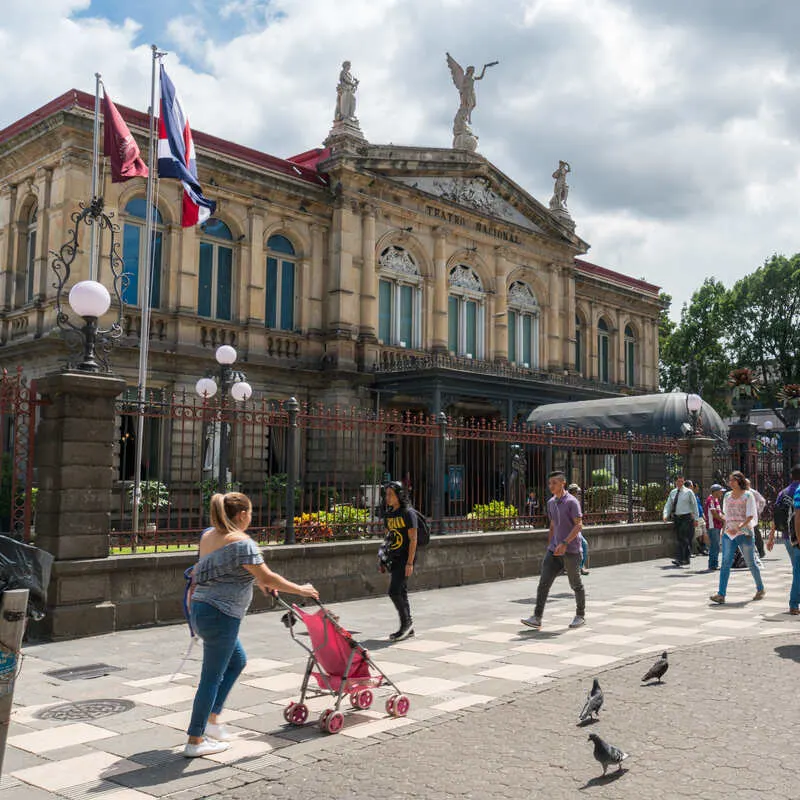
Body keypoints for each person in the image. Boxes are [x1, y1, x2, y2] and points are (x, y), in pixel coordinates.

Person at [184, 492, 319, 758]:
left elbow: (232, 570)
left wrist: (261, 583)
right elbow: (267, 575)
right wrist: (301, 590)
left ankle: (211, 720)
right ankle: (195, 740)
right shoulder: (242, 543)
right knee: (210, 677)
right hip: (222, 615)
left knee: (237, 661)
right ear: (242, 515)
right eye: (251, 513)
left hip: (200, 609)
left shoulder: (208, 535)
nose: (251, 518)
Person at [521, 471, 586, 630]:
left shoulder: (572, 502)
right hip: (553, 551)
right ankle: (537, 618)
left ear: (562, 483)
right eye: (550, 483)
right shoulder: (551, 503)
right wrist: (551, 545)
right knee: (543, 583)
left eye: (554, 483)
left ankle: (580, 615)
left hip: (571, 551)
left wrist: (564, 543)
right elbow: (552, 525)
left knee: (575, 584)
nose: (551, 486)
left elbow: (579, 525)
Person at [709, 472, 765, 605]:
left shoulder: (748, 495)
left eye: (733, 480)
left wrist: (740, 527)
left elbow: (751, 515)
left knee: (751, 562)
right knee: (726, 562)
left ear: (739, 481)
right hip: (730, 532)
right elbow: (726, 514)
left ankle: (760, 588)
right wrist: (725, 527)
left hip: (744, 531)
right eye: (730, 480)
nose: (730, 483)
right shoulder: (727, 496)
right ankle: (721, 594)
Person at [378, 481, 418, 642]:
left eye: (390, 494)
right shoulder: (389, 515)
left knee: (394, 591)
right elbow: (388, 538)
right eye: (386, 494)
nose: (387, 497)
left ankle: (406, 624)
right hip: (394, 557)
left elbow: (413, 539)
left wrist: (410, 563)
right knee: (401, 591)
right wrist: (382, 558)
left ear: (399, 496)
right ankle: (408, 627)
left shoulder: (408, 513)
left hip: (405, 558)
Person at [767, 464, 800, 614]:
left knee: (797, 570)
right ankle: (793, 603)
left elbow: (776, 515)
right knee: (797, 571)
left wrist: (772, 536)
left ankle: (794, 602)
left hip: (787, 537)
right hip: (798, 538)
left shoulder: (783, 492)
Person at [662, 475, 699, 567]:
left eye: (682, 481)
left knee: (682, 537)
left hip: (686, 517)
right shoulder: (673, 492)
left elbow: (694, 506)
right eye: (678, 481)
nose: (680, 483)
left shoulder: (689, 492)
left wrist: (696, 518)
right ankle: (686, 559)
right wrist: (665, 515)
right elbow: (668, 504)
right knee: (681, 538)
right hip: (677, 517)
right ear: (675, 482)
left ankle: (680, 558)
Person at [568, 483, 589, 576]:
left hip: (576, 530)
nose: (578, 495)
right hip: (569, 530)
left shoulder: (576, 502)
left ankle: (580, 566)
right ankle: (576, 567)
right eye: (577, 493)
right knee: (582, 545)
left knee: (583, 545)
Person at [704, 484, 725, 571]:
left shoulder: (715, 499)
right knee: (714, 546)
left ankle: (713, 563)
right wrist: (723, 520)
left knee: (715, 545)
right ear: (716, 491)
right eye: (720, 491)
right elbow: (714, 514)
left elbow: (719, 512)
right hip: (713, 526)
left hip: (716, 525)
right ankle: (713, 564)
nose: (721, 493)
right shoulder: (711, 500)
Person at [745, 478, 767, 562]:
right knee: (746, 533)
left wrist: (758, 511)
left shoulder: (753, 492)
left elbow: (762, 501)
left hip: (753, 516)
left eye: (747, 484)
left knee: (756, 533)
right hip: (745, 516)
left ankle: (761, 551)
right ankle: (748, 552)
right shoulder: (741, 492)